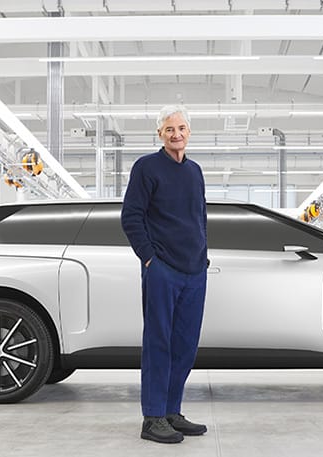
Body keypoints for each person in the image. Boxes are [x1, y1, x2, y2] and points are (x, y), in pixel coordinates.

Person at [121, 105, 208, 444]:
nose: (176, 134)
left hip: (194, 271)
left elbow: (199, 217)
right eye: (169, 129)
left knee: (185, 345)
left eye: (182, 128)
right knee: (159, 343)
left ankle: (172, 411)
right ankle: (153, 417)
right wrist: (149, 259)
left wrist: (203, 256)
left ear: (189, 132)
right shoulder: (146, 168)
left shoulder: (195, 171)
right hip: (162, 270)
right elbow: (131, 217)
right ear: (160, 134)